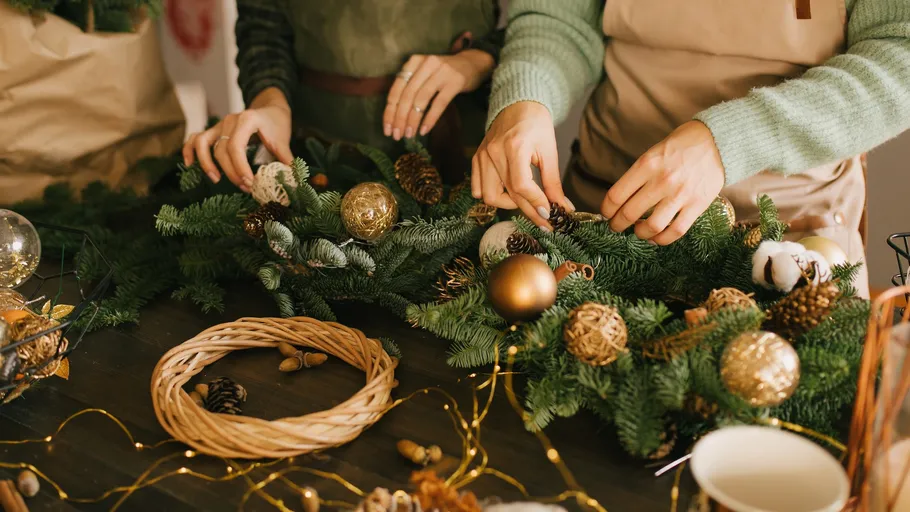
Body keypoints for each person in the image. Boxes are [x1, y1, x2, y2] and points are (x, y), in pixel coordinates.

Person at [473, 0, 910, 297]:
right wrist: (527, 94)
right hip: (596, 224)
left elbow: (900, 51)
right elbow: (559, 18)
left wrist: (729, 141)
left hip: (789, 244)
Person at [183, 1, 505, 193]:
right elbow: (263, 27)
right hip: (318, 165)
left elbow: (539, 23)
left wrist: (477, 60)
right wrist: (270, 101)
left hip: (464, 156)